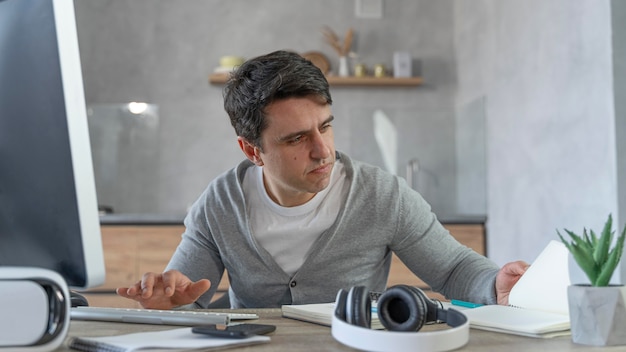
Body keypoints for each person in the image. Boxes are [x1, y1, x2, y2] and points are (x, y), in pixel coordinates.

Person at [117, 50, 528, 309]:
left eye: (325, 126)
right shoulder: (219, 204)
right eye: (297, 138)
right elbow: (189, 295)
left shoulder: (383, 195)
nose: (322, 150)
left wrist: (495, 285)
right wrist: (169, 301)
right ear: (252, 150)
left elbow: (454, 268)